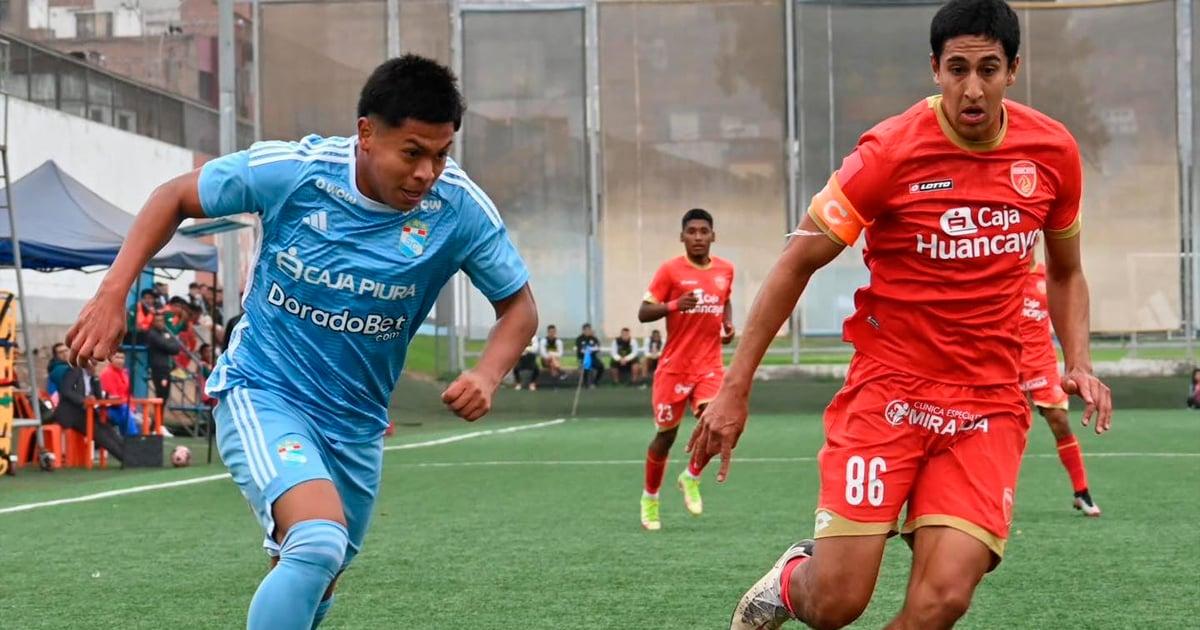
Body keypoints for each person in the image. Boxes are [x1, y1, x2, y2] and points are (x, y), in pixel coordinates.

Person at [64, 54, 537, 630]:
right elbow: (173, 196)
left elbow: (518, 306)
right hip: (264, 391)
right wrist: (113, 293)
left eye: (441, 154)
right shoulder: (296, 170)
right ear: (366, 133)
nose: (427, 173)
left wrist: (487, 374)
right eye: (412, 152)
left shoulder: (458, 208)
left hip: (357, 423)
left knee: (319, 574)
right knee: (316, 544)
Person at [686, 3, 1113, 628]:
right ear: (935, 68)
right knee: (835, 603)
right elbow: (794, 263)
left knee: (942, 599)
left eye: (989, 69)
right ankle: (788, 580)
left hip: (988, 402)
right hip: (889, 392)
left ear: (1013, 70)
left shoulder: (1051, 152)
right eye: (958, 68)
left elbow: (1068, 272)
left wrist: (1079, 362)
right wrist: (735, 387)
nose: (973, 88)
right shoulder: (888, 152)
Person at [637, 208, 735, 531]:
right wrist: (674, 305)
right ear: (682, 236)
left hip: (709, 366)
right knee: (665, 438)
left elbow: (725, 299)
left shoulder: (725, 270)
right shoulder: (670, 272)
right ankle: (650, 498)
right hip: (674, 369)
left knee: (718, 428)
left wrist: (727, 323)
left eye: (703, 231)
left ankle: (691, 475)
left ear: (712, 236)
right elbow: (643, 312)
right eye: (691, 231)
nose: (697, 237)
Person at [1019, 260, 1099, 516]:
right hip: (1007, 360)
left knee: (1059, 420)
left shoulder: (1048, 276)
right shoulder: (1004, 274)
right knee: (1007, 429)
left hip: (1041, 361)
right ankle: (993, 496)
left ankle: (1082, 491)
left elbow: (1069, 312)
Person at [51, 364, 124, 462]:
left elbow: (99, 397)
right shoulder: (74, 372)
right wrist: (84, 400)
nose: (97, 367)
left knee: (107, 428)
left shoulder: (93, 378)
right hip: (71, 413)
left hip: (87, 413)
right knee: (98, 431)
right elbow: (66, 391)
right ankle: (123, 458)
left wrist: (96, 378)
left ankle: (129, 455)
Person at [98, 349, 140, 436]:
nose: (120, 360)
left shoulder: (124, 373)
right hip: (110, 409)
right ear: (110, 359)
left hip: (124, 408)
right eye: (117, 357)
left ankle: (132, 443)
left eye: (122, 358)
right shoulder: (107, 374)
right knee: (129, 415)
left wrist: (133, 408)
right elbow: (113, 398)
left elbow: (129, 394)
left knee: (146, 420)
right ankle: (133, 442)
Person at [145, 313, 182, 402]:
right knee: (161, 394)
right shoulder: (152, 334)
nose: (160, 323)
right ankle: (158, 415)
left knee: (165, 395)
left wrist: (169, 346)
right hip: (158, 369)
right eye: (157, 321)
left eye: (161, 320)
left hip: (167, 368)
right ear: (153, 322)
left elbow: (177, 347)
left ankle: (160, 415)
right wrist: (169, 345)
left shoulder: (166, 332)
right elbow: (165, 345)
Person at [575, 323, 603, 388]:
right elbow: (581, 350)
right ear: (583, 330)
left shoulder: (594, 338)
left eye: (589, 330)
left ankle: (595, 382)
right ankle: (586, 384)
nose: (588, 331)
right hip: (582, 358)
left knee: (601, 367)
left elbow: (597, 348)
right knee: (586, 367)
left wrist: (589, 349)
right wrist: (589, 349)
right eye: (586, 330)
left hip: (593, 357)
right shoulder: (579, 339)